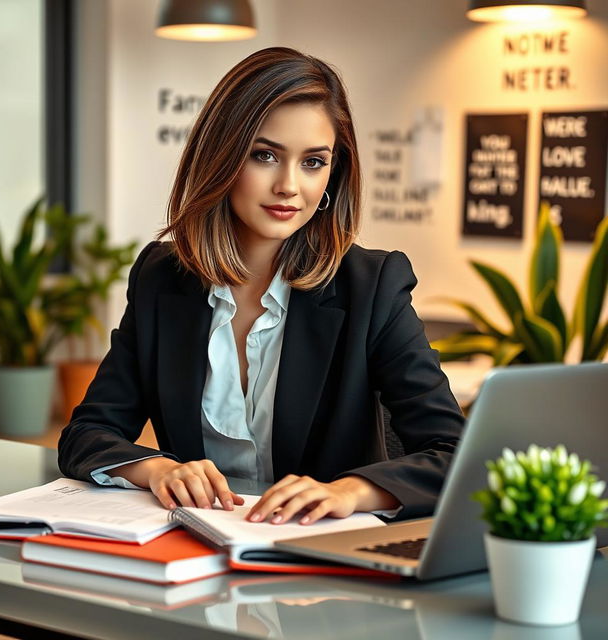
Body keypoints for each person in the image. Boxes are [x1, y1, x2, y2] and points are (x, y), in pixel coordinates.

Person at [58, 47, 464, 526]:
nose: (289, 186)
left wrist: (350, 492)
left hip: (322, 570)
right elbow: (88, 432)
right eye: (265, 155)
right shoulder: (161, 278)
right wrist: (157, 469)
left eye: (313, 162)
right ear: (221, 157)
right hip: (195, 554)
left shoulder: (372, 286)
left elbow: (454, 453)